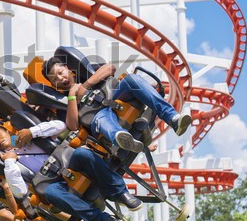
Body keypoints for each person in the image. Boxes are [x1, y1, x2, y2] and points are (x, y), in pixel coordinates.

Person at [0, 123, 140, 221]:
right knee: (51, 192)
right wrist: (9, 161)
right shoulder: (9, 165)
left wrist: (32, 132)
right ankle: (103, 220)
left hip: (68, 163)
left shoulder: (27, 136)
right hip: (52, 182)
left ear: (7, 131)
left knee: (82, 153)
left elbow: (60, 125)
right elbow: (20, 192)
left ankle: (121, 193)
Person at [42, 56, 191, 153]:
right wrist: (72, 97)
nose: (61, 78)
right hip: (99, 115)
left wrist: (85, 86)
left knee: (132, 79)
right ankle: (125, 139)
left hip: (115, 96)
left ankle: (173, 119)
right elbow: (73, 125)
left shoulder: (85, 70)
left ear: (67, 68)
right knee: (101, 119)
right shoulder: (62, 100)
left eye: (61, 72)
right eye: (55, 79)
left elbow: (110, 68)